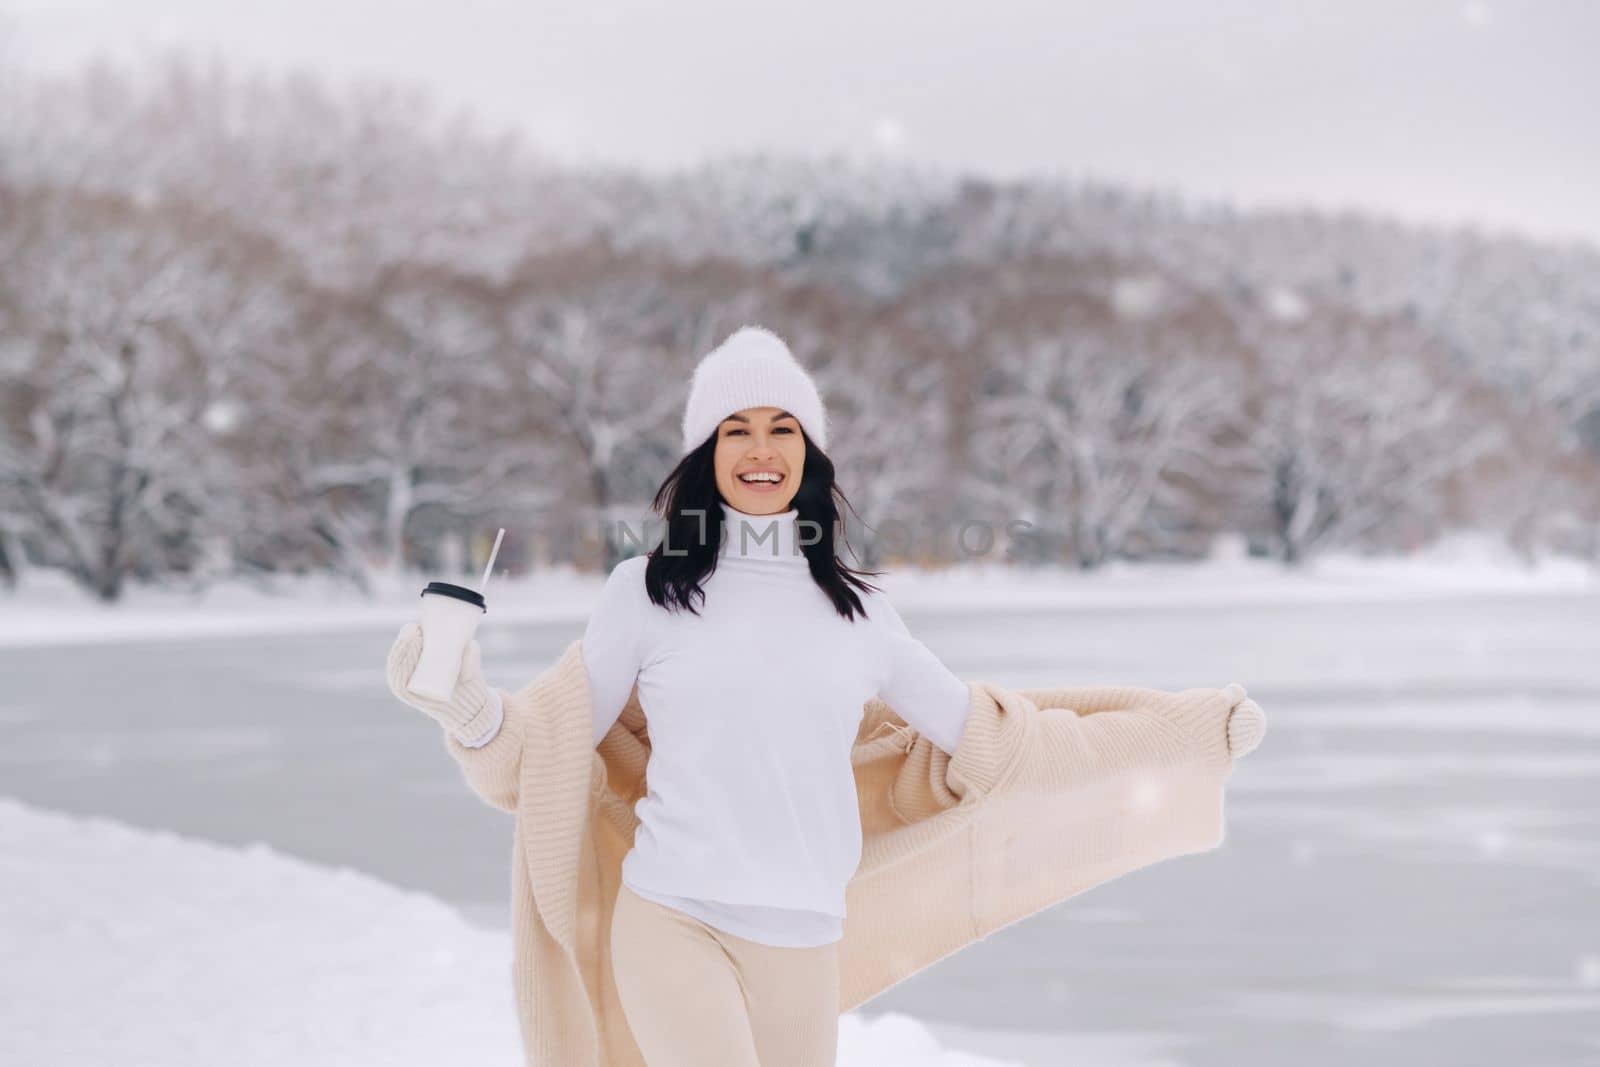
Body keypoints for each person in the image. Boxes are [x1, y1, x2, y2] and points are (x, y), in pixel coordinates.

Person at [391, 325, 972, 1066]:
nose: (761, 450)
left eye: (781, 429)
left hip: (806, 936)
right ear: (707, 456)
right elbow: (555, 744)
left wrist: (1127, 746)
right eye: (737, 431)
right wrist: (471, 711)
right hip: (675, 913)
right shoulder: (645, 592)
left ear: (810, 454)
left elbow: (975, 732)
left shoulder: (861, 612)